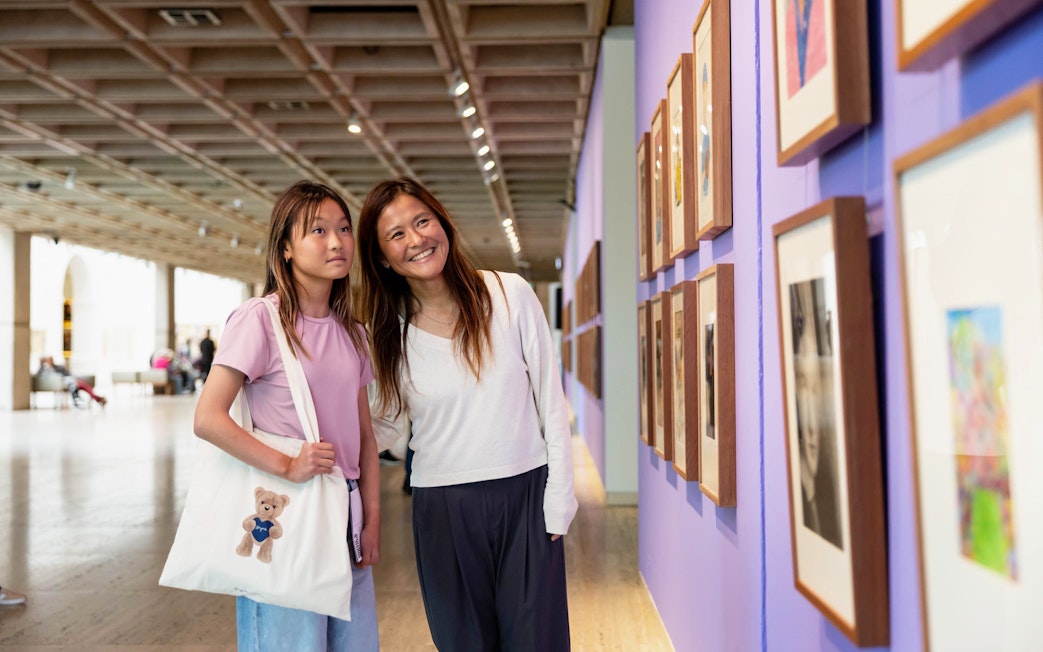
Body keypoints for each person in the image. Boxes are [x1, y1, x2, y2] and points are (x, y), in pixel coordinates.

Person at [358, 177, 577, 651]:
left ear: (442, 222)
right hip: (442, 508)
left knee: (537, 641)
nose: (416, 240)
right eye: (397, 234)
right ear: (381, 257)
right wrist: (306, 443)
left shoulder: (508, 293)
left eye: (422, 221)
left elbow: (550, 402)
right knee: (463, 643)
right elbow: (389, 424)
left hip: (525, 496)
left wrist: (559, 500)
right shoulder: (389, 335)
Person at [193, 180, 381, 651]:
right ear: (286, 249)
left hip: (346, 517)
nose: (336, 242)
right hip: (288, 513)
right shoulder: (259, 319)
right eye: (317, 230)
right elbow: (208, 418)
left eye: (343, 228)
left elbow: (365, 439)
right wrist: (288, 464)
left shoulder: (353, 333)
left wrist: (372, 520)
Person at [35, 355, 107, 407]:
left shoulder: (59, 367)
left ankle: (92, 398)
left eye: (50, 359)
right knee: (77, 384)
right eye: (47, 360)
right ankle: (95, 398)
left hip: (69, 380)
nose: (50, 361)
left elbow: (68, 374)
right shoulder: (43, 370)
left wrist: (73, 380)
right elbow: (40, 375)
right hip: (62, 382)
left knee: (84, 386)